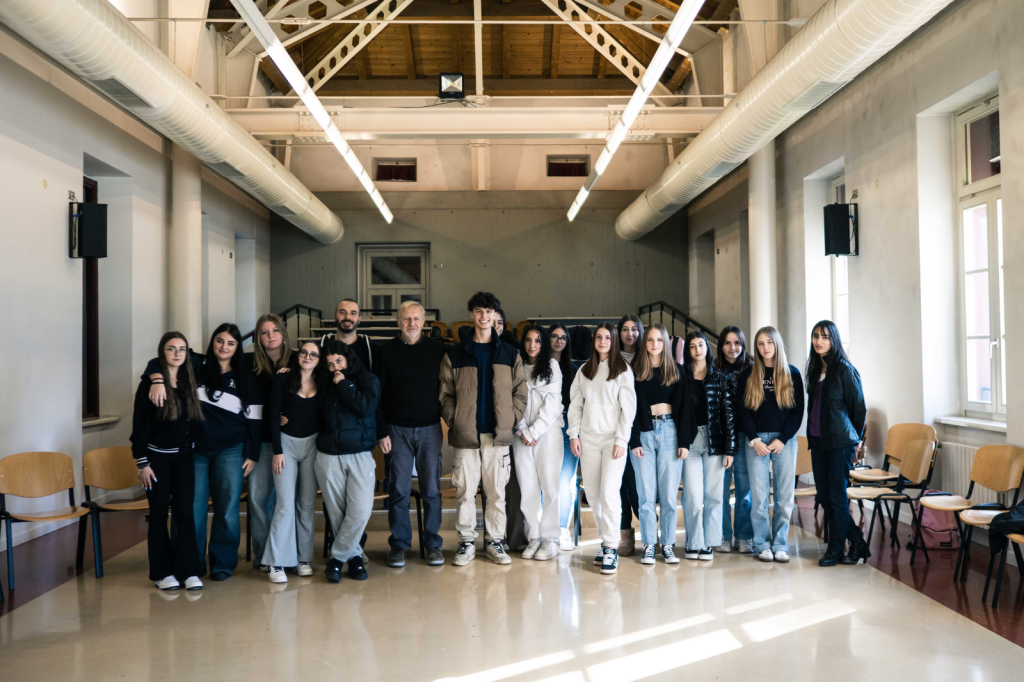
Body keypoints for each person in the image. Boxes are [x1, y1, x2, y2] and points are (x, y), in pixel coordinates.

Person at [146, 314, 290, 573]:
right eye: (219, 341)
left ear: (238, 347)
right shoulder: (195, 364)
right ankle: (190, 564)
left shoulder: (247, 376)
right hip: (195, 451)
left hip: (232, 450)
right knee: (191, 509)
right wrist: (157, 379)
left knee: (227, 510)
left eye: (231, 343)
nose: (224, 346)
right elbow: (159, 360)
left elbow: (255, 419)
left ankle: (223, 564)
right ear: (212, 342)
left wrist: (253, 453)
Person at [440, 291, 528, 567]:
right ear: (472, 315)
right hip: (466, 436)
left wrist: (511, 419)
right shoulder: (455, 353)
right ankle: (466, 542)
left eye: (488, 311)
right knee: (465, 492)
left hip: (497, 436)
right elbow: (445, 394)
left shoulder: (509, 353)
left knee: (496, 492)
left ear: (495, 316)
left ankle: (494, 542)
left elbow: (520, 392)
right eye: (479, 311)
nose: (484, 316)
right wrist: (455, 419)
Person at [374, 300, 447, 568]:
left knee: (431, 491)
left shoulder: (438, 351)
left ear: (424, 322)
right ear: (398, 322)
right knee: (398, 491)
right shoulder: (384, 352)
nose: (412, 323)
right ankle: (400, 544)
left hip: (430, 429)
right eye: (407, 319)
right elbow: (376, 396)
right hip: (396, 431)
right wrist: (381, 431)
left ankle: (433, 544)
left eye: (416, 319)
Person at [131, 332, 204, 592]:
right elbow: (139, 427)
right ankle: (162, 573)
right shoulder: (148, 386)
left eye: (182, 349)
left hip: (184, 458)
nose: (177, 354)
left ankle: (189, 571)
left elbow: (201, 358)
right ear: (162, 352)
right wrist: (143, 464)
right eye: (171, 349)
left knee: (186, 515)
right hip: (156, 460)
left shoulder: (190, 379)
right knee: (160, 516)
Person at [568, 323, 637, 575]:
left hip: (612, 442)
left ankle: (611, 547)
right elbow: (575, 405)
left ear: (614, 341)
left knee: (609, 494)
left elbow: (628, 410)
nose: (603, 341)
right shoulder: (584, 370)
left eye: (608, 337)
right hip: (588, 440)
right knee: (595, 496)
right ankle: (604, 541)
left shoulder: (622, 370)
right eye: (599, 337)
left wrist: (621, 440)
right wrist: (573, 435)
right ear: (594, 341)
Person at [738, 327, 804, 563]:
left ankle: (780, 545)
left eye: (769, 343)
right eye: (760, 344)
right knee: (759, 496)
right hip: (755, 441)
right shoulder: (748, 374)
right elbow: (742, 411)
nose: (765, 348)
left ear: (777, 344)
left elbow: (798, 413)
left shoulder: (792, 374)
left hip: (784, 441)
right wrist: (754, 439)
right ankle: (761, 544)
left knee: (785, 496)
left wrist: (783, 438)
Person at [316, 340, 381, 582]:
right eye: (330, 364)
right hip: (327, 457)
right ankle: (354, 559)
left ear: (349, 359)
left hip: (360, 455)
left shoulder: (367, 380)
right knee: (337, 513)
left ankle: (336, 559)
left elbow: (364, 407)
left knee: (360, 510)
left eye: (339, 361)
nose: (334, 368)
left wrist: (342, 383)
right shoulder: (322, 384)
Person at [805, 320, 868, 567]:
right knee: (824, 495)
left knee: (837, 495)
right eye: (815, 336)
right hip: (818, 441)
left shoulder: (844, 369)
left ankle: (835, 549)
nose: (819, 341)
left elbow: (859, 409)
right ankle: (857, 541)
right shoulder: (814, 369)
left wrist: (856, 443)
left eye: (825, 337)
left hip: (840, 441)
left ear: (834, 340)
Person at [628, 323, 692, 565]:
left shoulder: (676, 370)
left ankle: (667, 544)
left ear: (665, 343)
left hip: (670, 433)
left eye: (659, 340)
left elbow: (685, 408)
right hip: (644, 433)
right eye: (650, 340)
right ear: (645, 343)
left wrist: (684, 441)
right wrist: (633, 440)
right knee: (645, 495)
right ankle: (648, 544)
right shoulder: (635, 370)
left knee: (667, 495)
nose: (655, 344)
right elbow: (628, 409)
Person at [262, 341, 323, 583]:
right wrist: (277, 450)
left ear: (319, 359)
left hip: (313, 446)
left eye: (314, 354)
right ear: (298, 356)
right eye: (304, 353)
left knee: (306, 504)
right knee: (285, 504)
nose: (308, 357)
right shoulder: (283, 379)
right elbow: (272, 414)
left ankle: (303, 558)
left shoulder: (323, 381)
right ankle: (277, 562)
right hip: (285, 446)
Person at [681, 330, 736, 562]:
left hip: (714, 441)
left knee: (714, 496)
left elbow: (728, 414)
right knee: (693, 496)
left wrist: (730, 448)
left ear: (707, 348)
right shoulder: (681, 377)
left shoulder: (719, 378)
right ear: (688, 350)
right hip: (690, 442)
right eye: (692, 346)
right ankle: (693, 542)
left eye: (701, 345)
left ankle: (709, 543)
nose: (697, 350)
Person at [513, 325, 564, 561]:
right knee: (528, 487)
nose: (532, 345)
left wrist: (534, 432)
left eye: (537, 341)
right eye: (528, 340)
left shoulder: (552, 366)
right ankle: (533, 536)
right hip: (521, 434)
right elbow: (514, 400)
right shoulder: (518, 366)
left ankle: (550, 538)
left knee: (550, 486)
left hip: (548, 432)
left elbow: (553, 405)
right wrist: (523, 429)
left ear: (543, 345)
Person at [716, 326, 754, 555]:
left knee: (744, 489)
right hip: (720, 437)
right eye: (728, 343)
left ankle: (744, 536)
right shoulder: (713, 368)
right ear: (721, 345)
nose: (733, 348)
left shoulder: (751, 369)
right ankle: (723, 536)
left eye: (737, 343)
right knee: (720, 489)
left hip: (745, 434)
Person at [549, 323, 579, 551]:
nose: (559, 341)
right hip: (546, 426)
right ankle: (545, 530)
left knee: (565, 482)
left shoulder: (574, 369)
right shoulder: (540, 366)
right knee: (545, 482)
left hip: (569, 426)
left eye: (563, 338)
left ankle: (562, 531)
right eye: (555, 336)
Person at [615, 314, 643, 557]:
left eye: (634, 329)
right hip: (615, 431)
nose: (629, 334)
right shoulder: (611, 360)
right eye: (625, 329)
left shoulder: (648, 358)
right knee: (619, 486)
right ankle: (625, 535)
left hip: (641, 432)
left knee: (638, 487)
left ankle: (649, 533)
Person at [320, 298, 375, 370]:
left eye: (353, 313)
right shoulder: (320, 346)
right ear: (335, 317)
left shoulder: (372, 349)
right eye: (342, 312)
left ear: (359, 319)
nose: (347, 317)